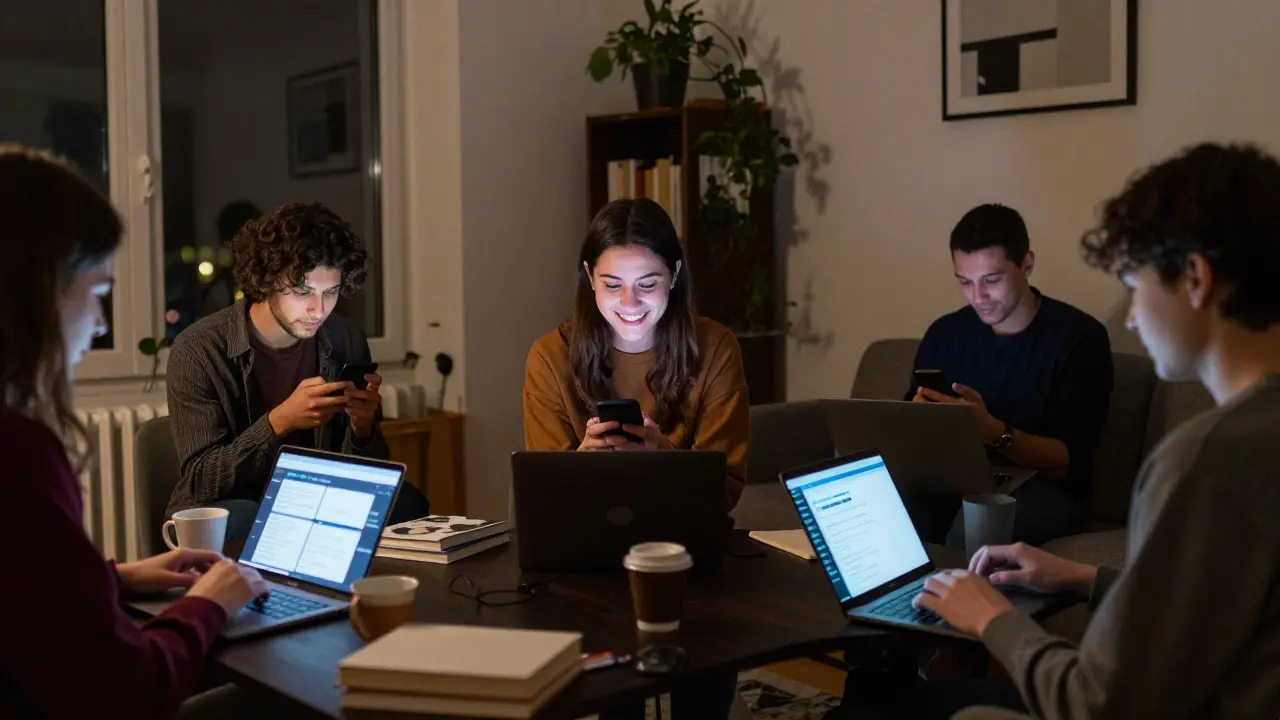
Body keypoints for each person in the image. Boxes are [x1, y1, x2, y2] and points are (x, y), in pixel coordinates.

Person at [858, 142, 1280, 719]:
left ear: (1195, 278)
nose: (1131, 316)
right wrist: (1083, 577)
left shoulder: (1200, 462)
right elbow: (1212, 609)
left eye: (1133, 284)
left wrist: (993, 618)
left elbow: (1097, 703)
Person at [0, 144, 268, 718]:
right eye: (98, 293)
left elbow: (20, 591)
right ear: (33, 290)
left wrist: (114, 579)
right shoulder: (16, 451)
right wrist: (208, 605)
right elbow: (127, 690)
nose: (101, 325)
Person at [522, 197, 748, 719]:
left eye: (647, 283)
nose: (630, 302)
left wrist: (664, 455)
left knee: (705, 670)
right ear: (588, 277)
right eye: (612, 284)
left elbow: (727, 485)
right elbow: (543, 496)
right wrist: (581, 465)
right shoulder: (550, 356)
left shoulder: (714, 347)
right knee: (617, 696)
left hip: (690, 549)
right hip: (589, 554)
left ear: (675, 274)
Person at [164, 201, 428, 543]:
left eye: (330, 292)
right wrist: (279, 421)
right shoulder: (198, 350)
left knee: (406, 503)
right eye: (302, 292)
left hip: (312, 496)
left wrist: (362, 430)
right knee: (249, 520)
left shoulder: (345, 339)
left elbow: (366, 475)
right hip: (235, 503)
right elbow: (202, 481)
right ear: (266, 280)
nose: (318, 310)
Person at [905, 203, 1113, 547]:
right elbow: (910, 424)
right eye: (965, 282)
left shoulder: (1080, 338)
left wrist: (992, 432)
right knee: (884, 511)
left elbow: (1067, 461)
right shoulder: (945, 333)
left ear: (1026, 264)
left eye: (991, 280)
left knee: (976, 525)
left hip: (1043, 489)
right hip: (956, 479)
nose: (978, 297)